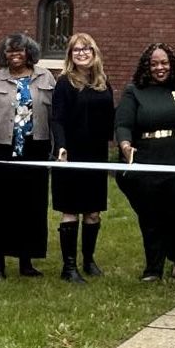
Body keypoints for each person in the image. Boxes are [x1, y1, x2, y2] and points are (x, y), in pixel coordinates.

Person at [115, 43, 175, 281]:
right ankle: (153, 267)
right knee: (151, 214)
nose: (160, 68)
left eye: (164, 63)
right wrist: (125, 146)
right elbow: (123, 124)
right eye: (154, 64)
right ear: (147, 66)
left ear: (172, 64)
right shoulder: (135, 91)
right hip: (148, 159)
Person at [0, 33, 55, 278]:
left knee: (30, 206)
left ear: (29, 53)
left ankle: (26, 262)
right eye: (10, 51)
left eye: (20, 50)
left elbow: (55, 116)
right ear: (3, 55)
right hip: (0, 149)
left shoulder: (45, 77)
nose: (15, 55)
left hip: (34, 150)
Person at [50, 30, 114, 282]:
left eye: (86, 49)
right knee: (71, 210)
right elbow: (57, 119)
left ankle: (88, 260)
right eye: (76, 50)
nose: (82, 53)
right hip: (71, 154)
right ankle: (69, 267)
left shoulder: (103, 82)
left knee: (93, 211)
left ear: (94, 52)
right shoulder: (64, 83)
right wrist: (61, 147)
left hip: (96, 154)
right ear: (70, 55)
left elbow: (109, 116)